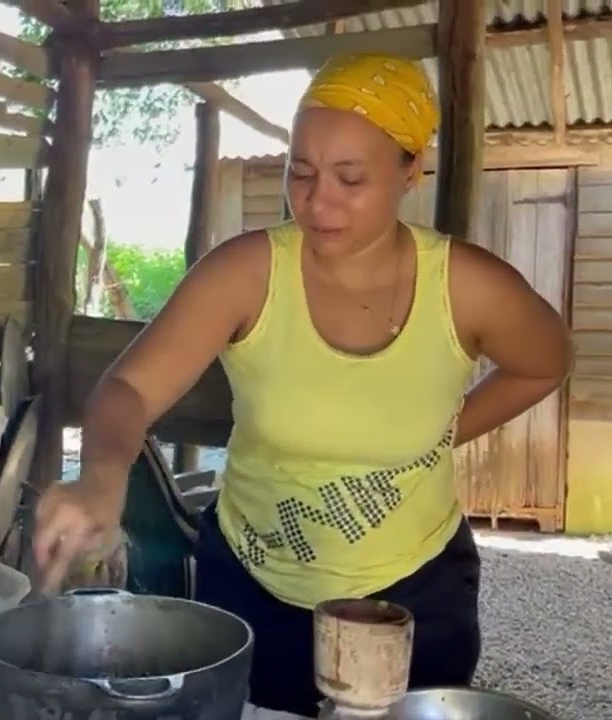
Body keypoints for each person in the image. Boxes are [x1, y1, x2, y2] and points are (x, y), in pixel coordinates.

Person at [32, 52, 573, 718]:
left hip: (416, 593)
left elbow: (546, 362)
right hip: (252, 586)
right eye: (302, 171)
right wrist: (101, 477)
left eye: (351, 178)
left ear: (411, 170)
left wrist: (442, 432)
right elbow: (129, 390)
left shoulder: (466, 288)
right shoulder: (246, 273)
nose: (318, 202)